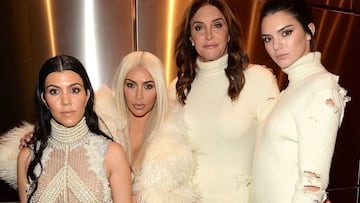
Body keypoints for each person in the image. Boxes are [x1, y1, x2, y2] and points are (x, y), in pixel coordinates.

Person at [1, 51, 198, 202]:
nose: (139, 96)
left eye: (148, 85)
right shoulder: (104, 122)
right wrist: (37, 135)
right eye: (130, 85)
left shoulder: (173, 143)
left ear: (86, 94)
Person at [168, 0, 280, 202]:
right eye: (199, 27)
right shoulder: (176, 88)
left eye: (217, 25)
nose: (208, 35)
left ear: (229, 33)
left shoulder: (258, 80)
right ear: (191, 38)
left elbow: (281, 151)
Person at [250, 0, 350, 202]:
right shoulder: (293, 89)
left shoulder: (320, 88)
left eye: (286, 33)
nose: (276, 46)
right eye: (268, 39)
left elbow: (311, 187)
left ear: (309, 31)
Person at [16, 55, 132, 202]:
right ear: (44, 99)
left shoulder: (112, 153)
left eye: (74, 90)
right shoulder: (27, 157)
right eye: (54, 91)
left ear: (87, 95)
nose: (66, 101)